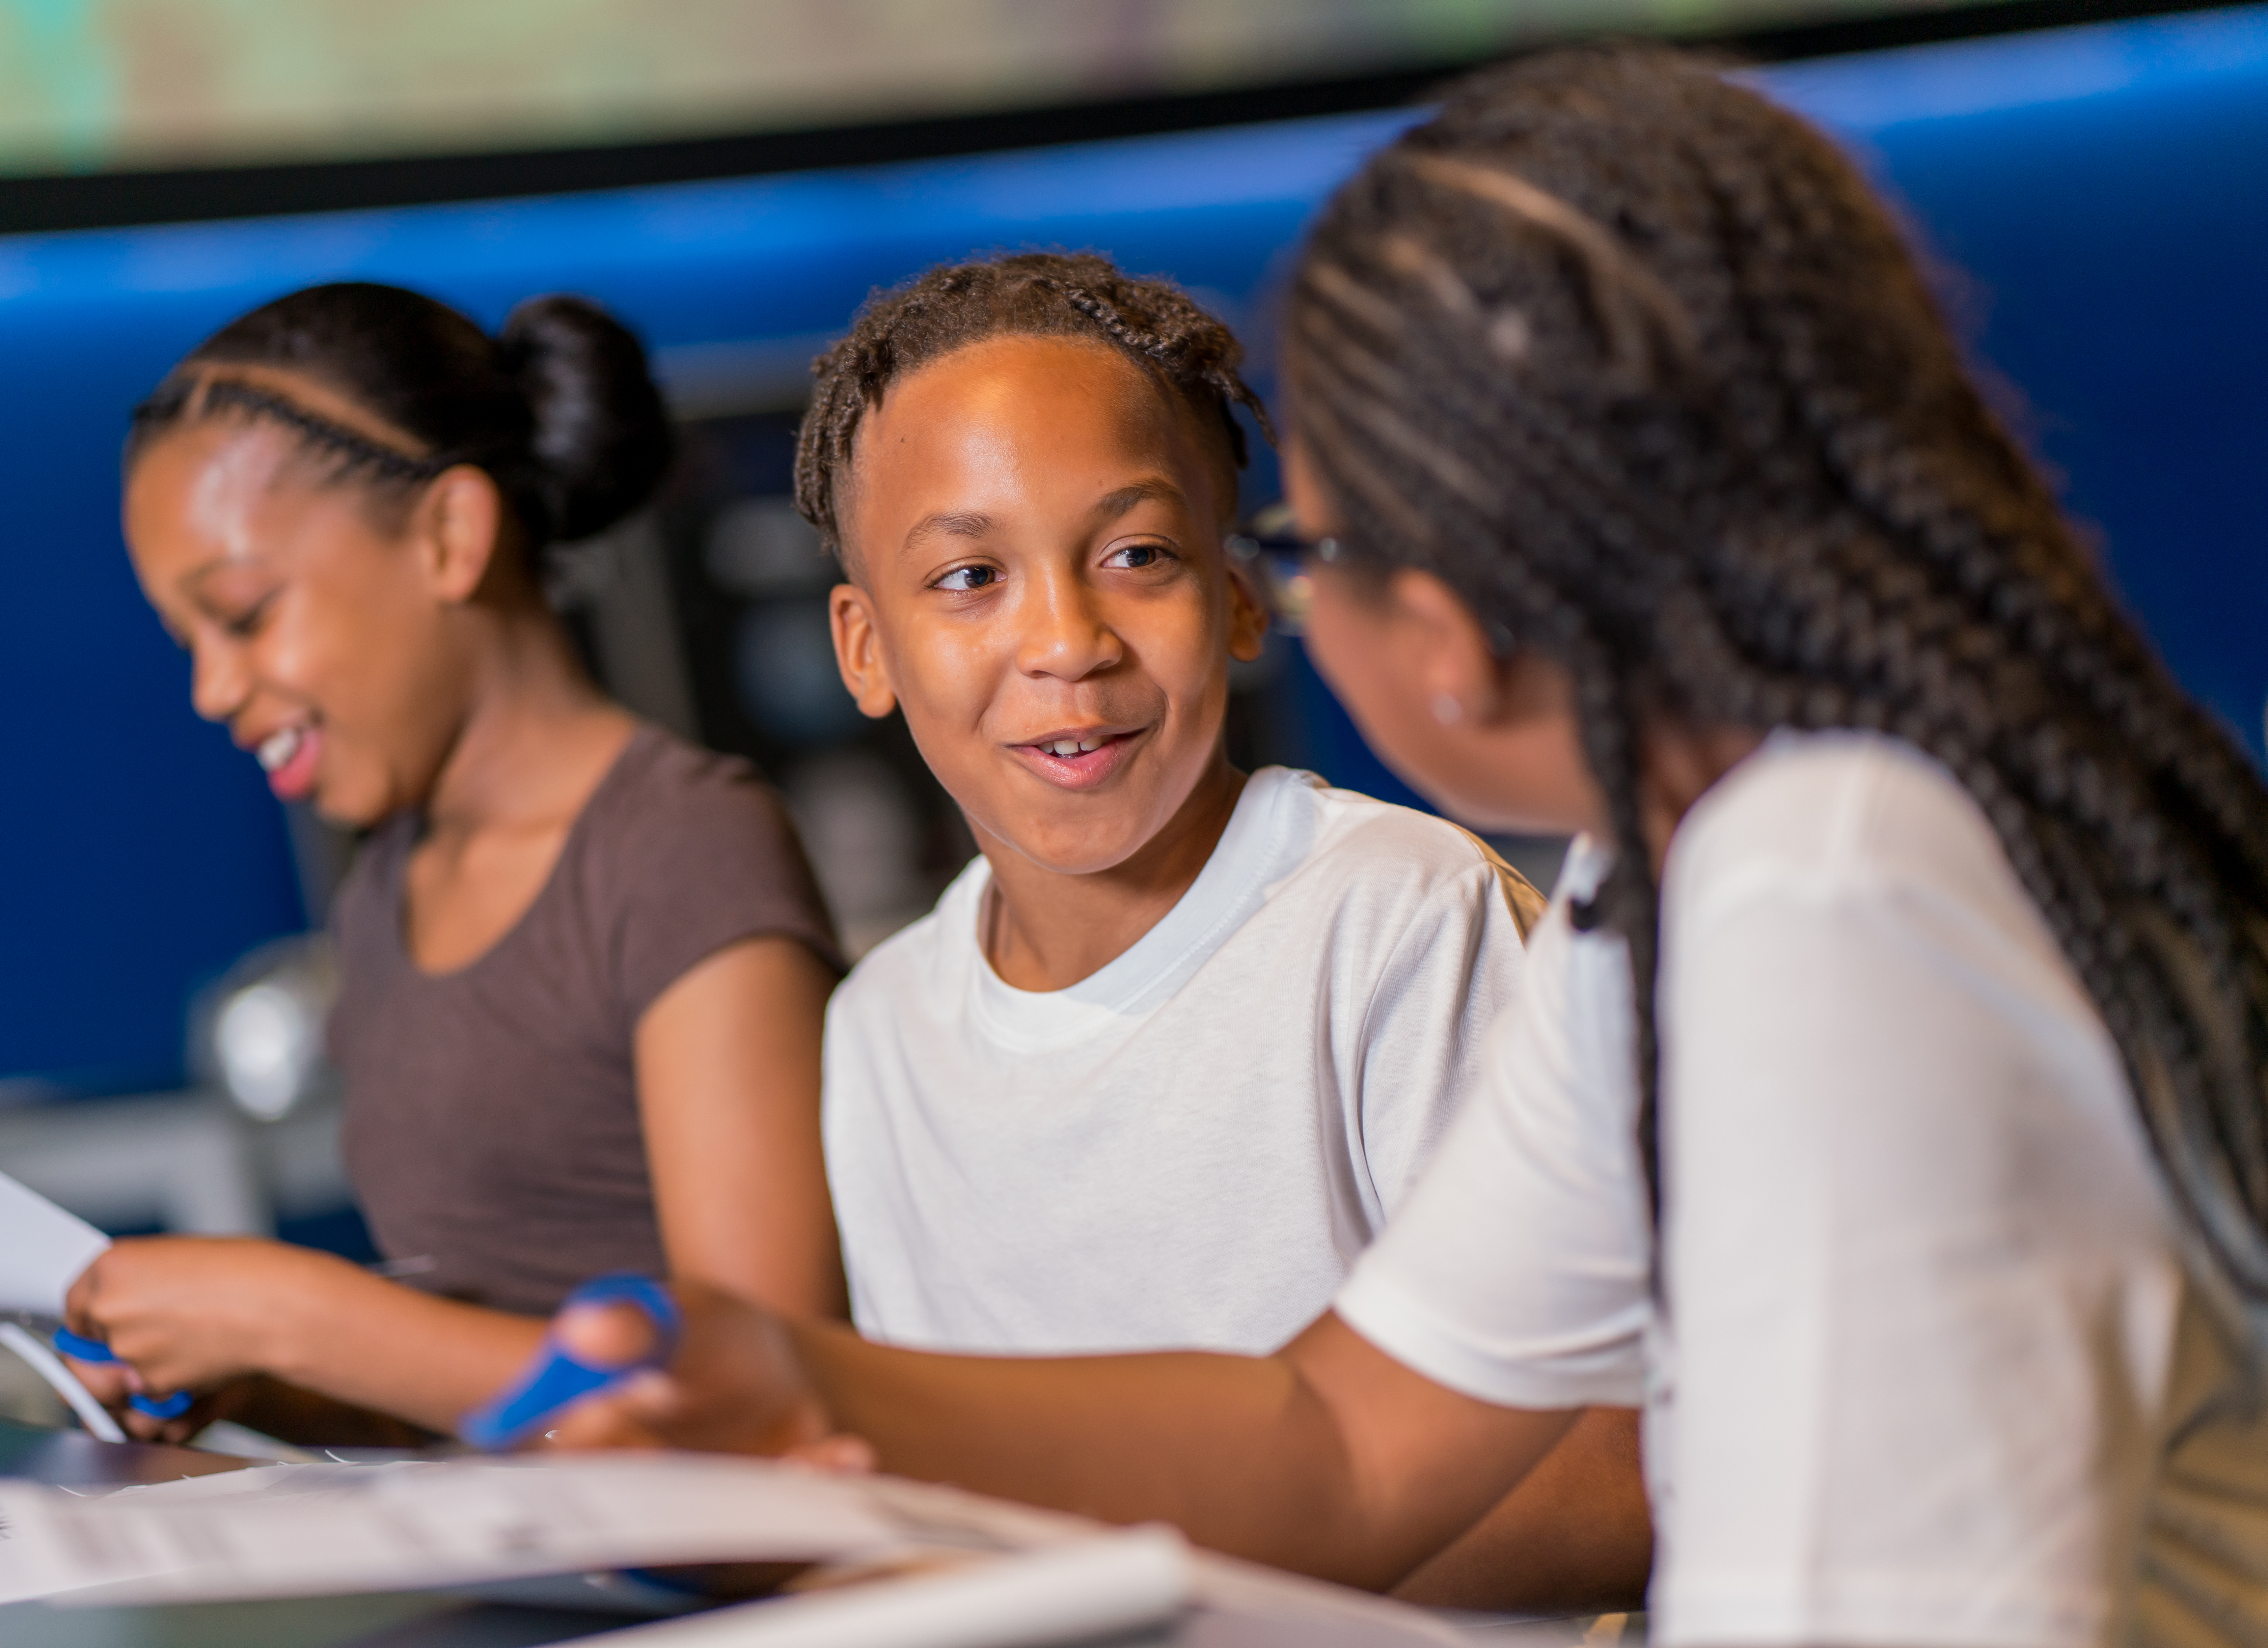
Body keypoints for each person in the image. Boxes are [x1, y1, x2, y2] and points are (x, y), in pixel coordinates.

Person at [537, 46, 2268, 1637]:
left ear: (1442, 609)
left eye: (1300, 546)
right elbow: (1340, 1436)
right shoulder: (1666, 881)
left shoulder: (1827, 886)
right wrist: (804, 1383)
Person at [65, 282, 846, 1442]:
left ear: (448, 536)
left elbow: (763, 1394)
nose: (213, 691)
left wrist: (296, 1315)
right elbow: (494, 1377)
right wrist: (252, 1380)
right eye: (190, 645)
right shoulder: (385, 892)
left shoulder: (680, 846)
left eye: (245, 614)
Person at [800, 252, 1553, 1363]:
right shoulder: (878, 1027)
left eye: (1137, 555)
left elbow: (1584, 1452)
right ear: (866, 650)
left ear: (1238, 601)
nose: (1066, 643)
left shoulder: (1398, 920)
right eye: (970, 577)